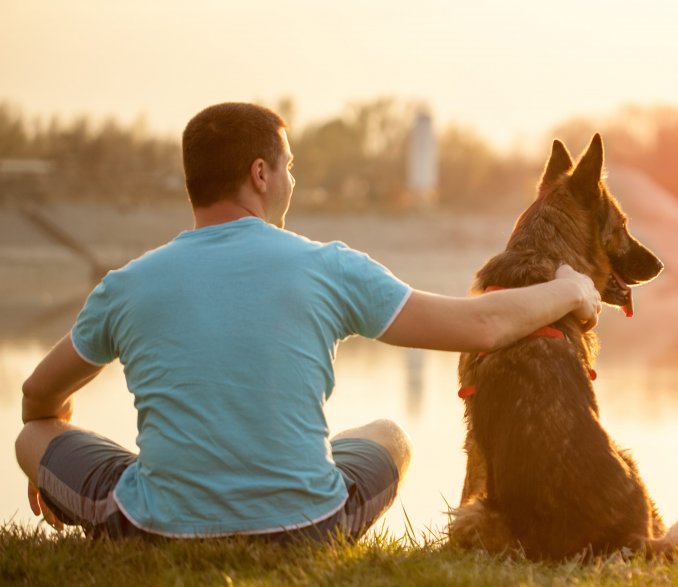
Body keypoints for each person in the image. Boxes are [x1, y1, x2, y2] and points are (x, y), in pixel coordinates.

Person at [14, 102, 600, 542]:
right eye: (289, 167)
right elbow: (481, 327)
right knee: (388, 437)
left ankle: (138, 497)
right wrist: (570, 287)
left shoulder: (127, 285)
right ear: (261, 174)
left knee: (31, 437)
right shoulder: (328, 268)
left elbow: (36, 397)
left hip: (154, 528)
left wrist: (56, 432)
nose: (293, 182)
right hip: (309, 527)